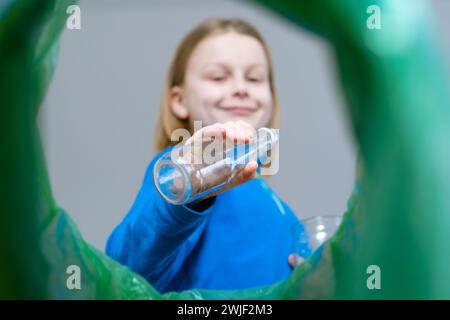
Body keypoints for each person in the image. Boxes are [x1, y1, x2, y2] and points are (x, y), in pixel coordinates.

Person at [106, 18, 310, 293]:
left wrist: (302, 280)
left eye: (255, 78)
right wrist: (183, 184)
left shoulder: (271, 200)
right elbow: (126, 272)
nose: (241, 88)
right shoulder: (178, 180)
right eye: (218, 77)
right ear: (179, 101)